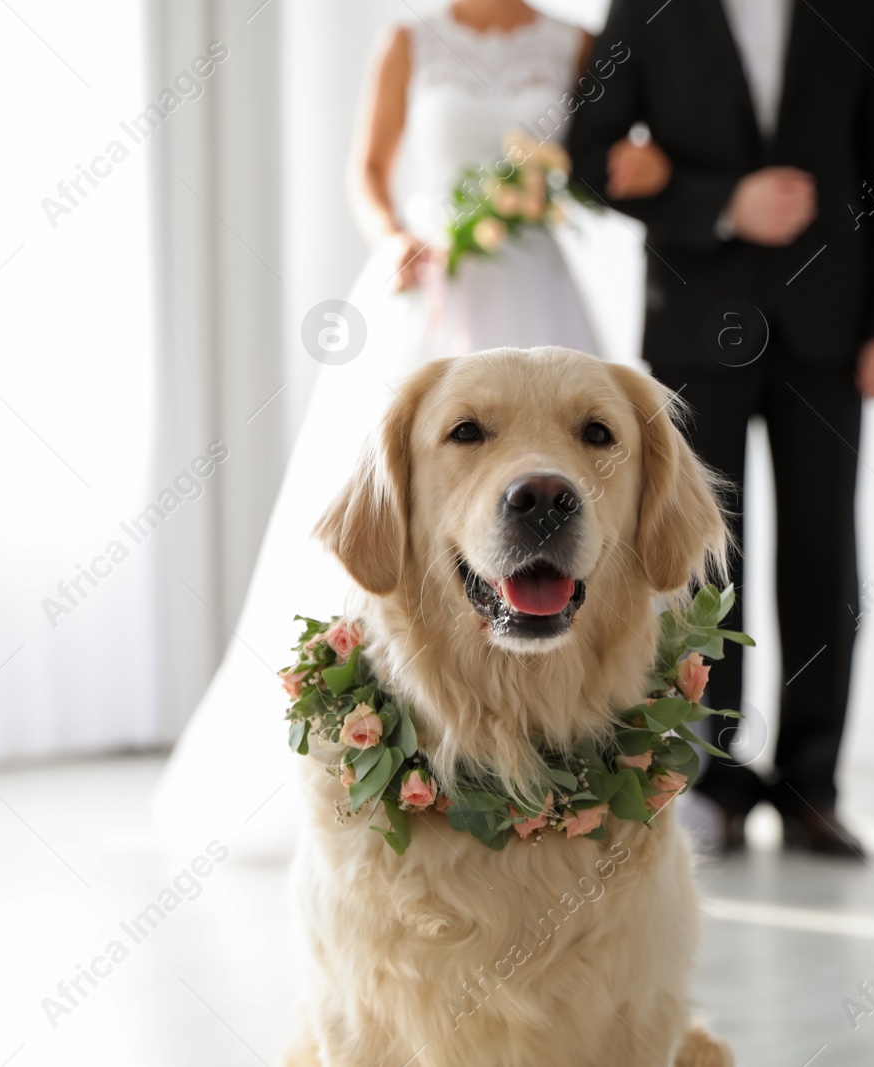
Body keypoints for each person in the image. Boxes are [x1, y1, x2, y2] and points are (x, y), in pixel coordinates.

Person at [155, 0, 601, 854]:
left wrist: (565, 181)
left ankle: (559, 759)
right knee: (398, 506)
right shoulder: (411, 40)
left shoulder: (576, 43)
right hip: (431, 280)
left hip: (536, 283)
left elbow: (606, 161)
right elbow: (366, 169)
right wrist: (393, 232)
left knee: (565, 485)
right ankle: (389, 747)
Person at [567, 0, 874, 856]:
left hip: (829, 328)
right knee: (699, 557)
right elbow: (586, 157)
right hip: (695, 325)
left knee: (821, 551)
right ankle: (708, 778)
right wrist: (723, 203)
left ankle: (813, 783)